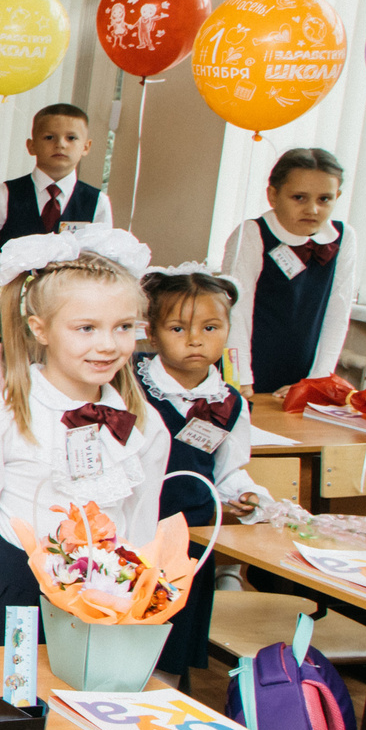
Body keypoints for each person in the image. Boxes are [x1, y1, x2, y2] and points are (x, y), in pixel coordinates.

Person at [0, 229, 168, 648]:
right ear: (40, 329)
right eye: (86, 328)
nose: (107, 345)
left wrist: (133, 616)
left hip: (103, 608)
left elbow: (141, 529)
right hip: (12, 604)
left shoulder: (145, 426)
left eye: (123, 327)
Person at [137, 267, 270, 686]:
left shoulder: (230, 402)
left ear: (228, 330)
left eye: (210, 327)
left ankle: (162, 705)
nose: (195, 339)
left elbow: (230, 469)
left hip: (192, 538)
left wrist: (244, 496)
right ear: (152, 334)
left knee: (172, 641)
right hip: (136, 531)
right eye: (178, 328)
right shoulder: (129, 383)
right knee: (126, 625)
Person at [218, 146, 353, 397]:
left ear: (338, 196)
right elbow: (234, 313)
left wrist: (318, 380)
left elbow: (338, 313)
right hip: (248, 371)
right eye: (299, 197)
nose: (312, 209)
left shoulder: (343, 238)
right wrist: (239, 380)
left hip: (302, 374)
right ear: (273, 195)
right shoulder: (252, 234)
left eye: (324, 199)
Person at [0, 103, 109, 254]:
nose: (60, 144)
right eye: (49, 137)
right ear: (31, 146)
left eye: (71, 138)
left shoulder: (97, 202)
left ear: (86, 147)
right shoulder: (3, 194)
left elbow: (101, 261)